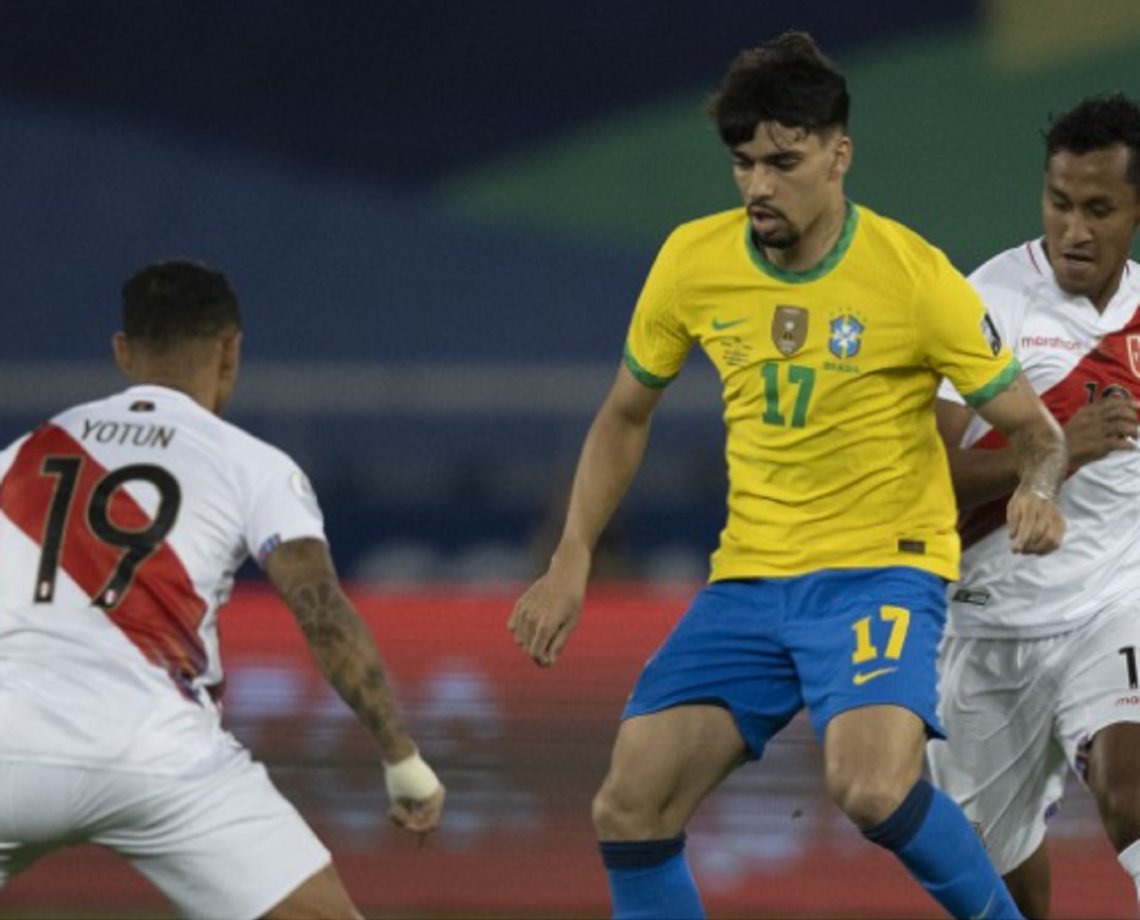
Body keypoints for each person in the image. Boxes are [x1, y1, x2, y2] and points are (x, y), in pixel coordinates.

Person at [508, 31, 1069, 920]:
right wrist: (572, 555)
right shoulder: (694, 261)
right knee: (628, 806)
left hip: (883, 569)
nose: (759, 186)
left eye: (783, 161)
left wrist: (1037, 488)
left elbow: (1035, 432)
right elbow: (624, 413)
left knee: (872, 786)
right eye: (742, 164)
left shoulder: (913, 278)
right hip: (751, 581)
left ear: (839, 155)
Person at [0, 261, 445, 920]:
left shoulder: (22, 456)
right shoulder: (252, 465)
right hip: (159, 755)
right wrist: (399, 753)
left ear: (123, 352)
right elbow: (321, 612)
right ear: (229, 350)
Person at [928, 94, 1140, 918]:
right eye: (1059, 204)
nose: (1074, 230)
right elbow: (924, 477)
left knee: (1131, 792)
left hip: (1115, 606)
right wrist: (1056, 446)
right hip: (990, 621)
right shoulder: (989, 301)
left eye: (1098, 209)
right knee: (997, 874)